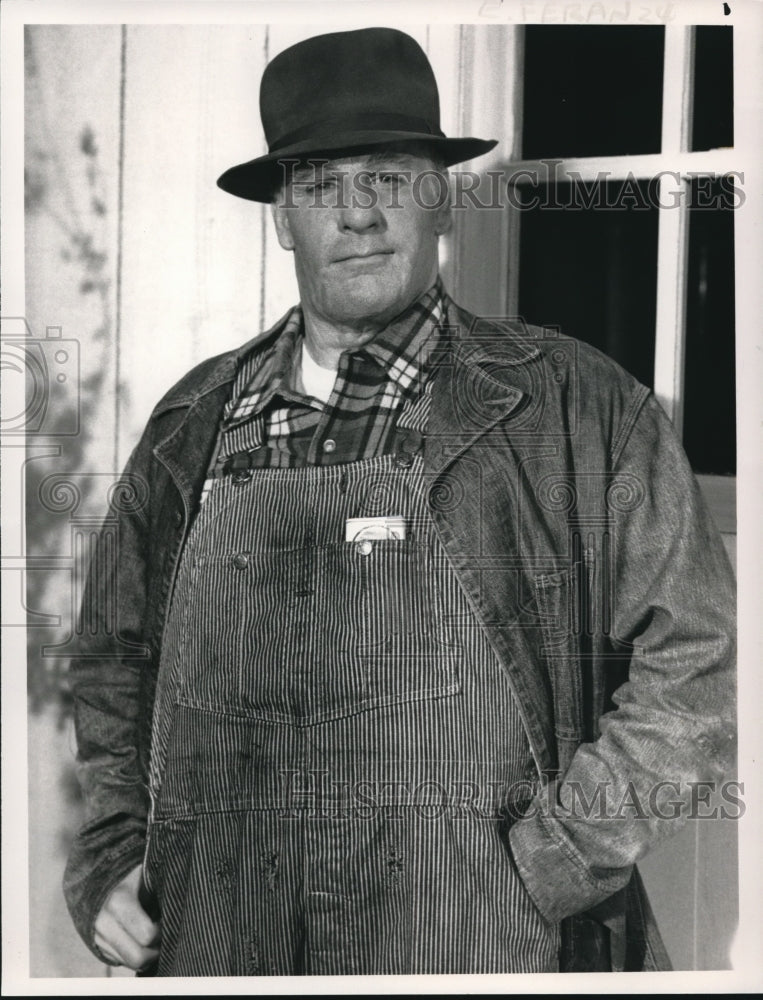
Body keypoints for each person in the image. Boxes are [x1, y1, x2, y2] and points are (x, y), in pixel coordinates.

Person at [63, 27, 736, 976]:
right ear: (280, 218)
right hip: (229, 941)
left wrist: (551, 863)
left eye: (388, 179)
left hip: (481, 949)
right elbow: (110, 663)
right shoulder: (191, 427)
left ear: (444, 201)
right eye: (321, 185)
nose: (358, 215)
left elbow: (704, 663)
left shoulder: (582, 410)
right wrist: (109, 854)